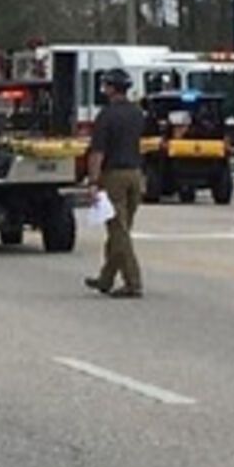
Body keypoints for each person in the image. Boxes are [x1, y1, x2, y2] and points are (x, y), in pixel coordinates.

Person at [86, 69, 146, 299]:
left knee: (118, 231)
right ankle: (106, 278)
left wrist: (93, 181)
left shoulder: (107, 115)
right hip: (135, 173)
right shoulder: (137, 113)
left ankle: (133, 282)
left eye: (106, 85)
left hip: (115, 176)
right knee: (121, 229)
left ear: (111, 88)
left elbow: (98, 151)